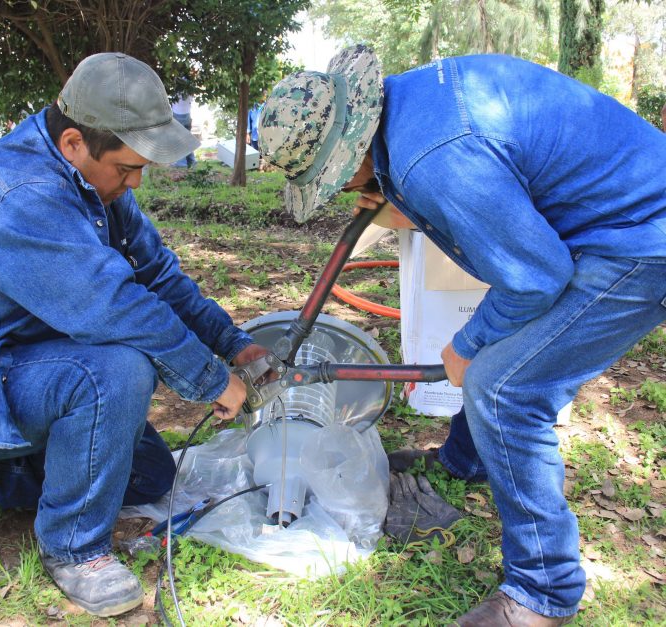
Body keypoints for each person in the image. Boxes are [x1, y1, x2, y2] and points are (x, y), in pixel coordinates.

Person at [259, 45, 666, 626]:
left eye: (332, 181)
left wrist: (468, 346)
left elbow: (535, 277)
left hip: (640, 243)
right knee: (498, 341)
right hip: (611, 222)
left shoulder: (432, 159)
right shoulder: (411, 107)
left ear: (347, 151)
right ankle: (465, 461)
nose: (344, 192)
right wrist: (402, 199)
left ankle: (543, 592)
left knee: (504, 386)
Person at [0, 52, 268, 618]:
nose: (136, 181)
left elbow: (157, 274)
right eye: (127, 168)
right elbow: (113, 306)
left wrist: (234, 343)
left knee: (151, 477)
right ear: (74, 142)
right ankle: (75, 548)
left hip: (24, 362)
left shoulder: (93, 179)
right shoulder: (18, 194)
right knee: (116, 371)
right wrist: (212, 380)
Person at [172, 91, 197, 167]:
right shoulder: (190, 89)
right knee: (186, 139)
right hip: (187, 115)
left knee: (180, 141)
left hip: (178, 115)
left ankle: (181, 163)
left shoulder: (177, 89)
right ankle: (191, 161)